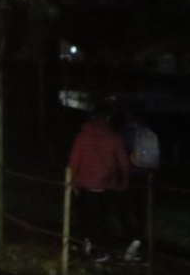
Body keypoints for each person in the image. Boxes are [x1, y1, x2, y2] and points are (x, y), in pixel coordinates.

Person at [69, 101, 130, 262]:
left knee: (88, 218)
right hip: (107, 185)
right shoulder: (114, 138)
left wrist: (73, 183)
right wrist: (124, 181)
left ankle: (96, 248)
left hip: (85, 184)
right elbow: (123, 162)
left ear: (92, 117)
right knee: (102, 219)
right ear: (108, 118)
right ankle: (99, 248)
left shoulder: (82, 137)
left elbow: (74, 161)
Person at [117, 102, 158, 261]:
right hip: (145, 175)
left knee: (125, 208)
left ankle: (129, 239)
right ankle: (140, 239)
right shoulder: (148, 131)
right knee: (141, 210)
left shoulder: (125, 132)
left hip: (128, 175)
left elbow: (119, 153)